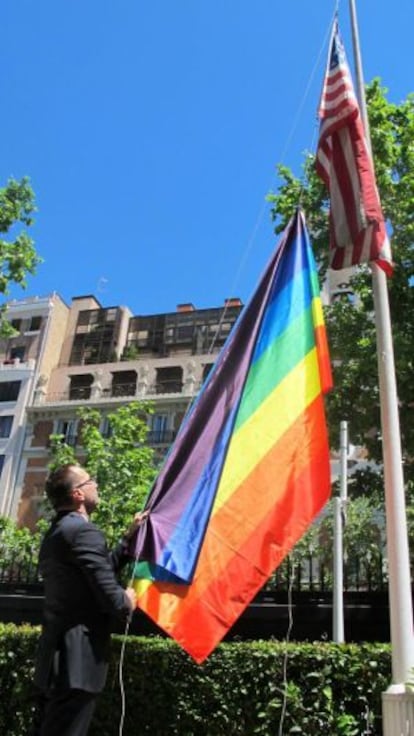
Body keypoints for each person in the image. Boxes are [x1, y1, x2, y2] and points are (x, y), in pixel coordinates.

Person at [31, 463, 147, 736]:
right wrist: (127, 599)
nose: (96, 484)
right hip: (76, 667)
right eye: (90, 480)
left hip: (55, 663)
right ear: (78, 494)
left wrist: (128, 540)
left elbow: (95, 573)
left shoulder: (57, 532)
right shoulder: (83, 532)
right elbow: (112, 598)